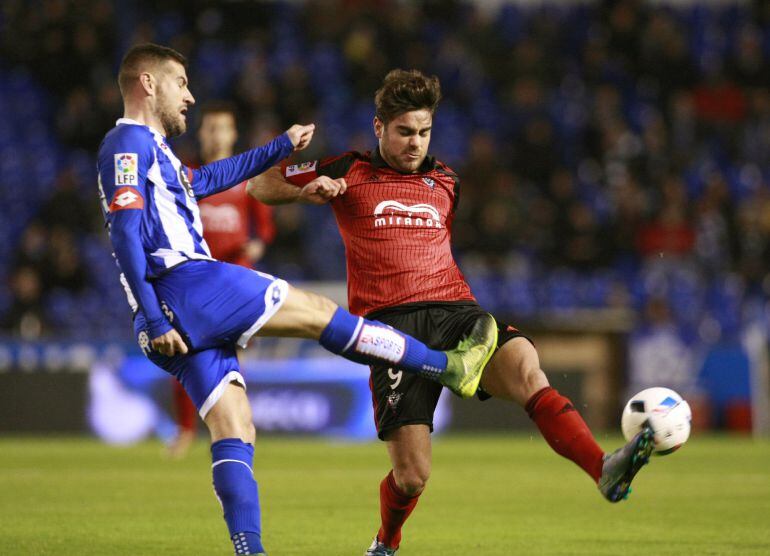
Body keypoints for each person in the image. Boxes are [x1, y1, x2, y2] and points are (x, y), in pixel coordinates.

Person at [97, 45, 498, 556]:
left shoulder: (158, 153)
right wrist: (154, 316)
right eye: (180, 83)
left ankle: (250, 551)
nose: (190, 96)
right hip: (185, 285)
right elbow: (126, 231)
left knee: (236, 428)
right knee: (318, 313)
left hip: (172, 312)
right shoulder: (126, 142)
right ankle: (447, 366)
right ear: (148, 84)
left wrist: (278, 146)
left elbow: (206, 181)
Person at [247, 69, 656, 556]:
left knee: (527, 367)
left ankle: (602, 468)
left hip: (455, 311)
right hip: (391, 328)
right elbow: (260, 184)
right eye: (403, 132)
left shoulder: (445, 181)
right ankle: (386, 542)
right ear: (379, 128)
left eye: (423, 132)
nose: (414, 142)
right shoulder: (346, 169)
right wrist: (304, 191)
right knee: (412, 476)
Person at [168, 101, 277, 458]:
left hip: (233, 280)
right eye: (210, 127)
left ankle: (236, 428)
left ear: (233, 134)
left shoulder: (246, 180)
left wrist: (254, 247)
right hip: (194, 281)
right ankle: (187, 430)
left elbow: (263, 230)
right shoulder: (188, 177)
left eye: (222, 128)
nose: (216, 135)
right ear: (201, 133)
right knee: (184, 354)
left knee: (229, 360)